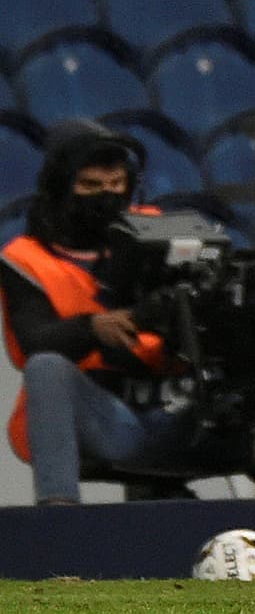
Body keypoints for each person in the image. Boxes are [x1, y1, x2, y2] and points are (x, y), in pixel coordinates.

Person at [0, 119, 190, 506]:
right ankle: (58, 514)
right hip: (104, 414)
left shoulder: (163, 232)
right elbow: (33, 341)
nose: (106, 196)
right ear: (60, 189)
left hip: (179, 409)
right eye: (90, 186)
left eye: (116, 185)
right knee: (47, 367)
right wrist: (93, 327)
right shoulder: (25, 258)